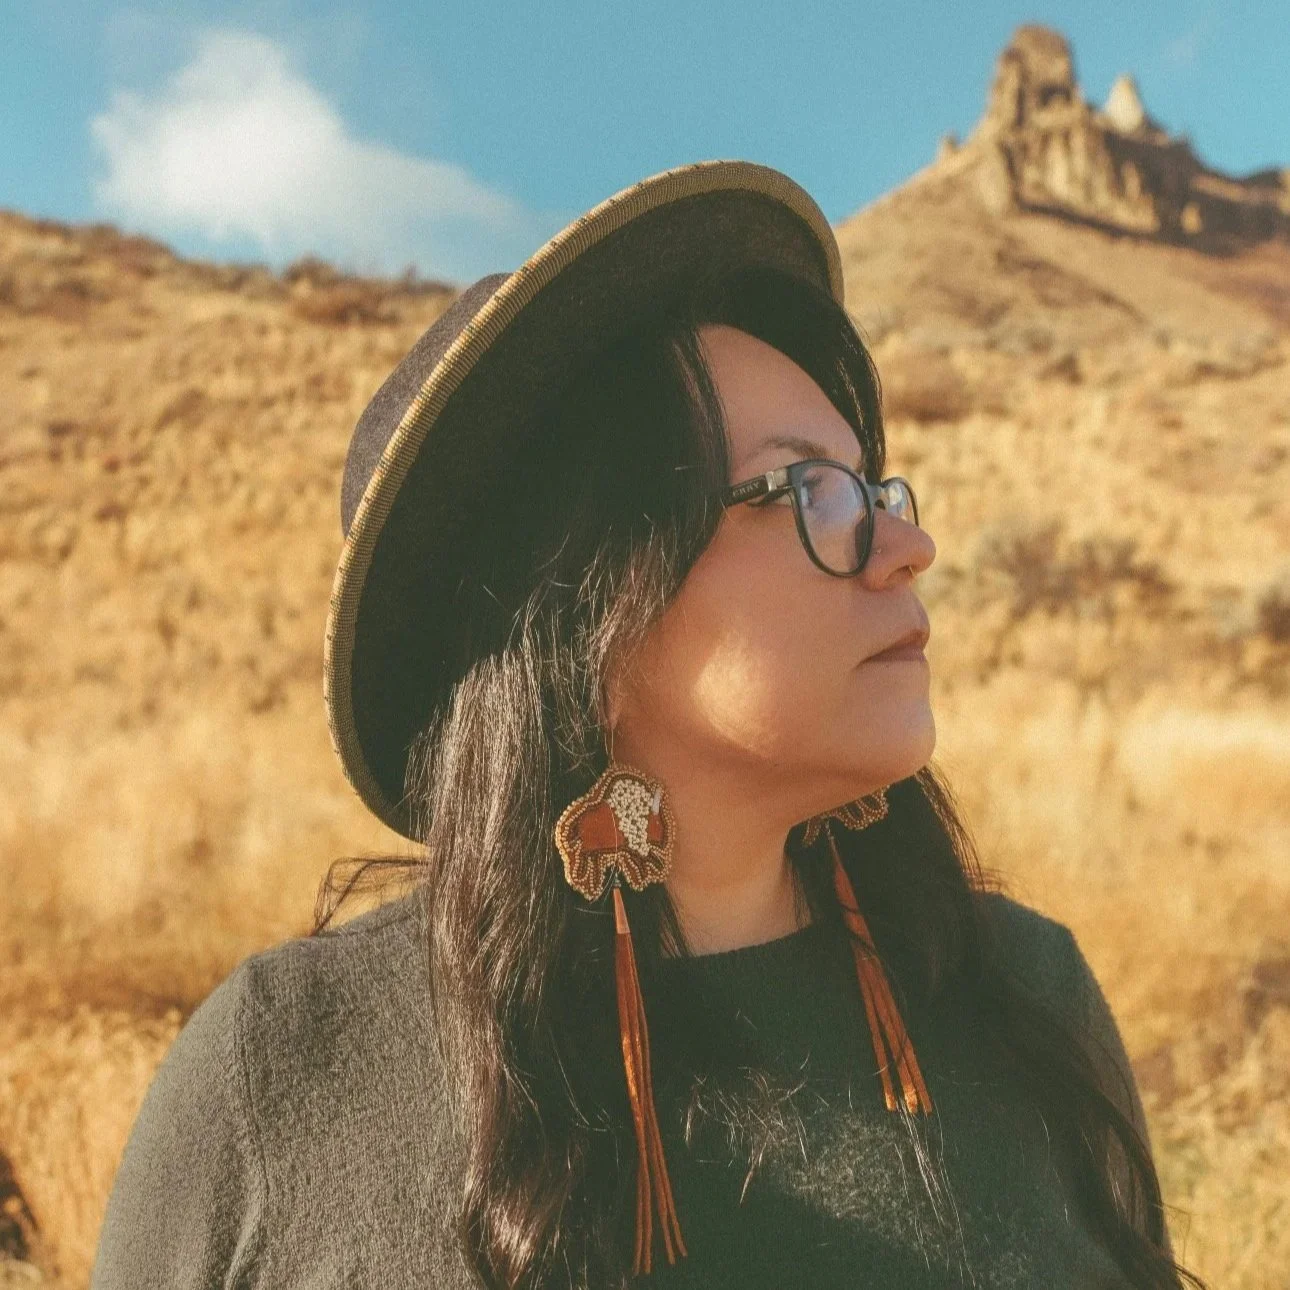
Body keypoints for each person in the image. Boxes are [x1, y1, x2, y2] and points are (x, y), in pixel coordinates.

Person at [90, 159, 1204, 1290]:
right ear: (588, 604)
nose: (905, 546)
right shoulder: (283, 1074)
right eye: (809, 491)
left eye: (877, 491)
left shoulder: (1024, 994)